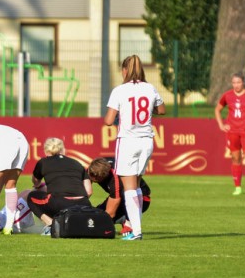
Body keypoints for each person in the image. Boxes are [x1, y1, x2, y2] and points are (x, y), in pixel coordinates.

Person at [104, 55, 165, 241]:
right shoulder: (150, 88)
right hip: (146, 140)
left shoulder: (119, 90)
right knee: (136, 185)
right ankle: (134, 226)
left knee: (128, 188)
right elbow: (161, 110)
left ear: (125, 70)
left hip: (128, 140)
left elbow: (108, 120)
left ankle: (136, 231)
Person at [26, 137, 93, 230]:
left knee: (31, 197)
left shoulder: (43, 162)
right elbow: (89, 191)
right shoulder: (77, 163)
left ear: (46, 150)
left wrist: (38, 185)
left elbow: (36, 181)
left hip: (59, 203)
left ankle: (51, 224)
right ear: (62, 149)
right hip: (84, 204)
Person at [87, 157, 151, 235]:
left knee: (100, 220)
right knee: (95, 214)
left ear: (104, 175)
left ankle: (126, 220)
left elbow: (110, 213)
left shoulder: (116, 178)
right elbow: (85, 191)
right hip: (120, 196)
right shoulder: (92, 169)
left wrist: (101, 226)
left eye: (96, 178)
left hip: (141, 200)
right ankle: (121, 218)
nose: (93, 179)